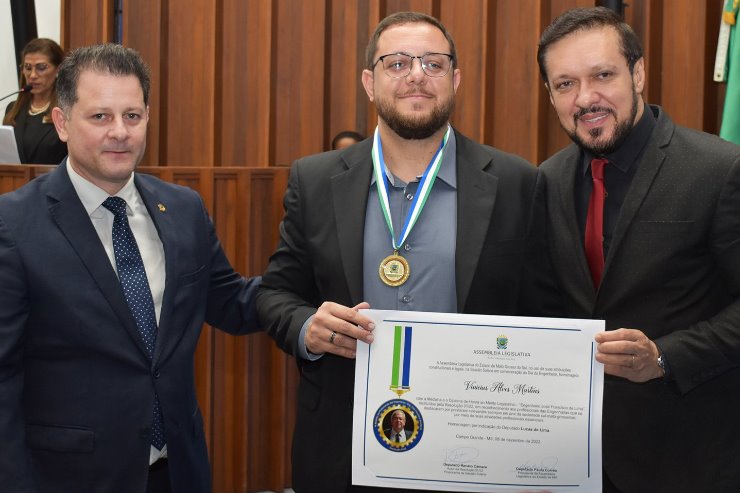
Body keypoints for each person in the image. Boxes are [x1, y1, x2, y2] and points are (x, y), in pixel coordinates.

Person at [258, 11, 557, 493]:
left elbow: (548, 312)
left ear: (455, 80)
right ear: (369, 83)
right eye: (397, 63)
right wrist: (306, 328)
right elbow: (276, 294)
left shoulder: (517, 183)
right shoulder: (314, 181)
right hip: (343, 448)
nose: (417, 75)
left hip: (477, 451)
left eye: (433, 64)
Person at [0, 44, 261, 493]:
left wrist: (310, 302)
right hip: (68, 479)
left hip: (177, 472)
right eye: (100, 117)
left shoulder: (184, 209)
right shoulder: (13, 224)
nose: (120, 132)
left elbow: (232, 300)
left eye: (132, 116)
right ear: (62, 123)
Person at [537, 7, 740, 492]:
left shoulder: (720, 169)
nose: (586, 98)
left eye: (602, 75)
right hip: (575, 463)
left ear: (639, 72)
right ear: (549, 94)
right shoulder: (543, 181)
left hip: (690, 459)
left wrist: (665, 357)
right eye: (565, 84)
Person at [2, 38, 68, 164]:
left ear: (58, 69)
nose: (32, 75)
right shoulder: (12, 110)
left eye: (41, 67)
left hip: (52, 181)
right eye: (27, 68)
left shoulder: (66, 110)